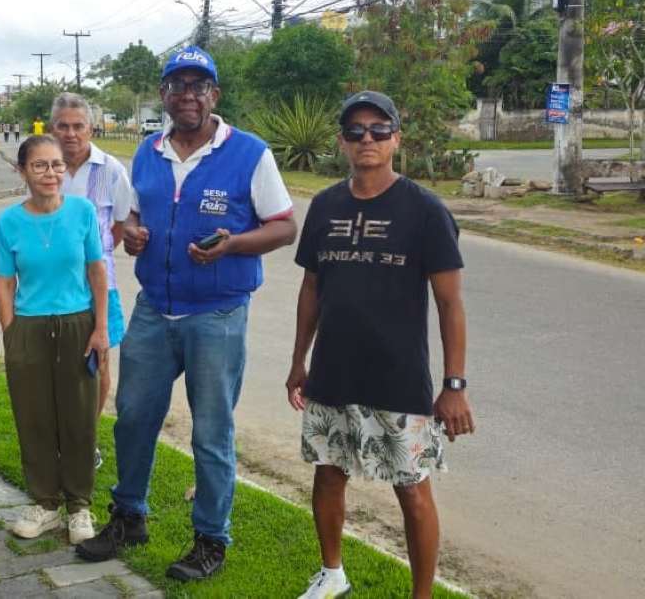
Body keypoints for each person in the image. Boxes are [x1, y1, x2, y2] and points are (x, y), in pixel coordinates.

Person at [77, 46, 297, 581]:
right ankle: (129, 516)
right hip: (156, 309)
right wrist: (130, 235)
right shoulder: (149, 152)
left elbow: (285, 226)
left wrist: (234, 245)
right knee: (132, 418)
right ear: (165, 95)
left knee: (211, 432)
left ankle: (210, 540)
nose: (189, 95)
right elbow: (130, 219)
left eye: (199, 85)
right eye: (178, 85)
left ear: (214, 95)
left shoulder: (248, 152)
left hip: (217, 315)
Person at [286, 91, 473, 599]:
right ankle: (332, 573)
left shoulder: (425, 210)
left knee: (411, 490)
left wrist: (454, 385)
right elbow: (312, 288)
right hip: (332, 372)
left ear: (396, 138)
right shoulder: (325, 206)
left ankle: (422, 595)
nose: (366, 138)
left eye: (378, 129)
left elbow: (451, 304)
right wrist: (298, 360)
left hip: (398, 377)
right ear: (342, 142)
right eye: (355, 131)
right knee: (328, 475)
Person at [0, 135, 108, 545]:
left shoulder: (82, 211)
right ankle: (44, 503)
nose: (50, 173)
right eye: (40, 165)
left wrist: (100, 328)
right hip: (29, 325)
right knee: (35, 416)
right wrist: (11, 332)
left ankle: (79, 506)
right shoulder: (9, 220)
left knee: (78, 417)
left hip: (77, 322)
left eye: (57, 165)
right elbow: (5, 281)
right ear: (23, 169)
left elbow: (97, 271)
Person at [49, 92, 132, 469]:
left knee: (98, 365)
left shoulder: (111, 169)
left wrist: (93, 261)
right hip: (52, 288)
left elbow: (118, 225)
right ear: (53, 128)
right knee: (57, 366)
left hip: (101, 287)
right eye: (63, 126)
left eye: (78, 126)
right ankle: (57, 437)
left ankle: (85, 440)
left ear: (91, 128)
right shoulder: (44, 167)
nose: (70, 133)